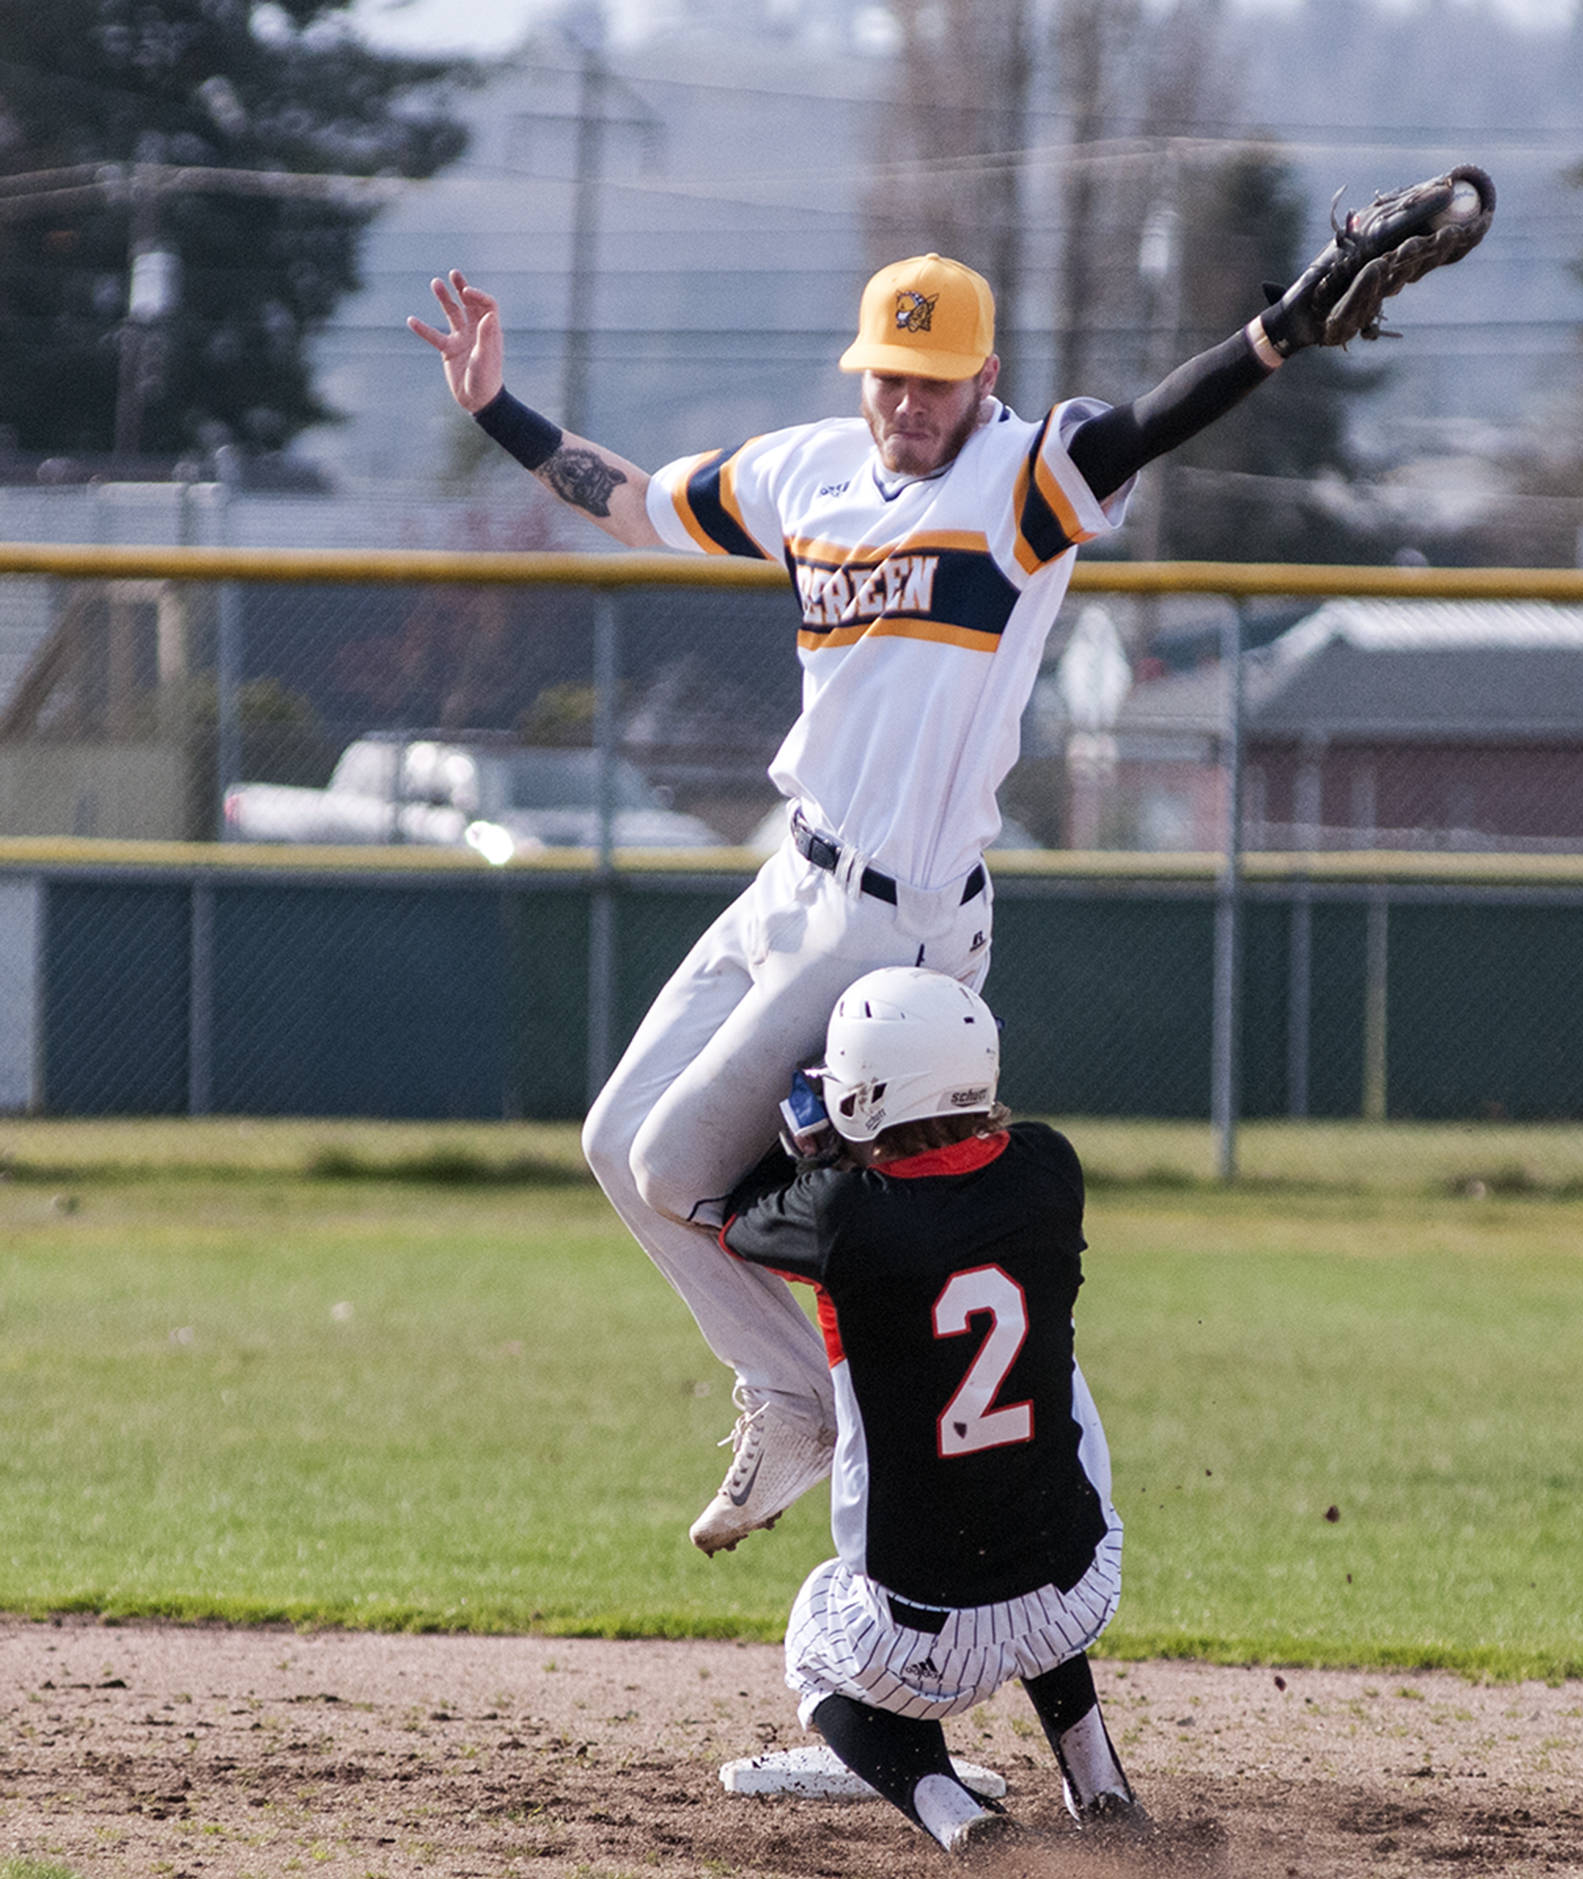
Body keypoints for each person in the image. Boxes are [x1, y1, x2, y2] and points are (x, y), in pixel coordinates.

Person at [407, 240, 1347, 1556]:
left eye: (937, 380)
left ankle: (857, 1370)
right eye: (891, 376)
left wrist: (1278, 332)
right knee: (616, 1146)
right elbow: (634, 505)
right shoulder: (804, 472)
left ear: (985, 378)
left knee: (684, 1162)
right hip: (791, 872)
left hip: (895, 916)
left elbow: (1145, 425)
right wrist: (494, 408)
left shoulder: (1018, 481)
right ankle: (796, 1389)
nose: (911, 402)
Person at [718, 966, 1143, 1855]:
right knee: (1030, 1477)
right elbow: (946, 1189)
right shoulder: (1049, 1167)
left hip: (921, 1631)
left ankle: (958, 1819)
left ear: (867, 1095)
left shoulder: (842, 1216)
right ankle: (1101, 1788)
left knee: (815, 1657)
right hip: (1078, 1588)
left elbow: (742, 1217)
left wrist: (807, 1143)